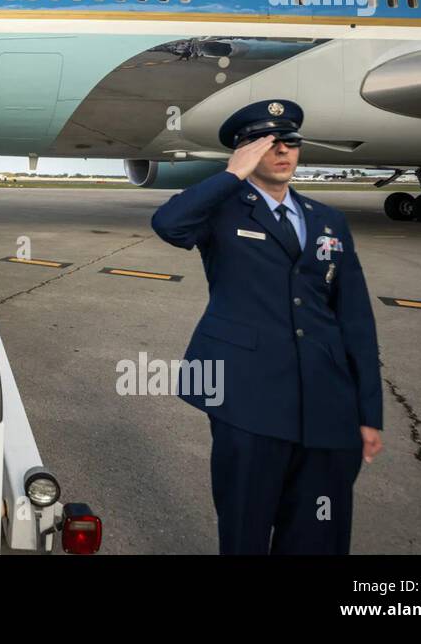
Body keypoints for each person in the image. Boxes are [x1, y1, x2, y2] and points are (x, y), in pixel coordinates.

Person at [150, 99, 382, 554]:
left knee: (319, 535)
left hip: (328, 407)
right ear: (245, 152)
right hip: (248, 400)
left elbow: (355, 320)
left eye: (290, 142)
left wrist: (368, 413)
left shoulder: (328, 221)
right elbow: (168, 224)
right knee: (245, 528)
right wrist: (232, 175)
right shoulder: (224, 209)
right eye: (268, 143)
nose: (283, 151)